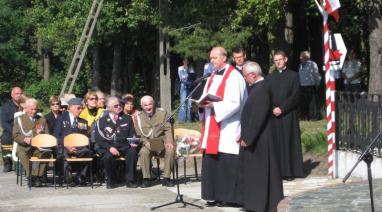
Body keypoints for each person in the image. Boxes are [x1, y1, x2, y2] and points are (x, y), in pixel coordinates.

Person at [198, 46, 247, 206]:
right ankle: (215, 195)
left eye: (215, 58)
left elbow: (236, 103)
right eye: (210, 58)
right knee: (213, 162)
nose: (212, 61)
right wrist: (201, 105)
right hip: (212, 123)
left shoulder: (234, 76)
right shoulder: (211, 76)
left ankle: (230, 198)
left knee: (227, 163)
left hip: (227, 126)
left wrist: (214, 106)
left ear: (224, 58)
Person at [238, 61, 284, 212]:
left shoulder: (261, 90)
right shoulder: (257, 88)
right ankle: (256, 203)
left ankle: (258, 204)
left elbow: (257, 118)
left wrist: (248, 137)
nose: (245, 79)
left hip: (260, 140)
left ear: (253, 74)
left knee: (260, 174)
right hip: (256, 138)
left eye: (245, 76)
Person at [266, 50, 304, 180]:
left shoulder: (293, 76)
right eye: (275, 60)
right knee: (276, 143)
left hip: (288, 114)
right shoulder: (270, 77)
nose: (278, 62)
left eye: (280, 60)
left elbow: (295, 95)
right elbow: (266, 95)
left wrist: (282, 108)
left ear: (285, 59)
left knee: (288, 141)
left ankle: (289, 171)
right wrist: (272, 108)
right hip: (274, 115)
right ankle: (278, 171)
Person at [94, 97, 139, 189]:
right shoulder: (101, 121)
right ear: (109, 108)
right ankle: (110, 180)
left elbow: (132, 134)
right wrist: (110, 148)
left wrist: (133, 143)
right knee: (107, 156)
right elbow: (98, 139)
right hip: (107, 147)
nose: (119, 107)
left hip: (123, 145)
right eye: (116, 106)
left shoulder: (127, 118)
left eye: (120, 105)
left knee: (132, 152)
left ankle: (130, 180)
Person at [135, 95, 175, 188]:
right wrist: (145, 142)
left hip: (162, 141)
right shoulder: (138, 117)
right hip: (148, 143)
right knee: (143, 151)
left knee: (170, 151)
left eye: (150, 104)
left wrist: (169, 142)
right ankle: (146, 179)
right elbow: (139, 134)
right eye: (145, 105)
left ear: (154, 104)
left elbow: (168, 129)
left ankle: (166, 178)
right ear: (141, 106)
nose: (148, 107)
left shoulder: (162, 113)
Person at [13, 98, 50, 187]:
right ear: (26, 108)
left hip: (38, 147)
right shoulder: (19, 119)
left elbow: (47, 134)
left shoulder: (41, 119)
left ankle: (38, 176)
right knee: (21, 153)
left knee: (46, 153)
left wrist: (42, 141)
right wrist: (24, 139)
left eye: (35, 109)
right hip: (24, 146)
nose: (34, 112)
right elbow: (15, 135)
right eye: (31, 109)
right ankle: (32, 176)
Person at [54, 97, 91, 186]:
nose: (80, 110)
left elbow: (85, 137)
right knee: (64, 153)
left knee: (88, 151)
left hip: (79, 148)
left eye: (81, 108)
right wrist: (66, 145)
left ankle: (81, 176)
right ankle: (68, 177)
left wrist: (79, 146)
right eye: (78, 108)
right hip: (65, 147)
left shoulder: (83, 122)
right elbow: (57, 136)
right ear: (70, 108)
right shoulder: (61, 119)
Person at [1, 86, 23, 172]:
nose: (19, 95)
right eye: (17, 93)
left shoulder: (26, 105)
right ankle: (8, 164)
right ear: (12, 95)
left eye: (20, 93)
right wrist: (14, 132)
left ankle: (23, 162)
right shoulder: (5, 107)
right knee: (4, 139)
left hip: (23, 132)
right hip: (10, 132)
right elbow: (4, 123)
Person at [298, 51, 321, 120]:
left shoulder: (312, 64)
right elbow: (299, 76)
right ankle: (305, 117)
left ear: (306, 57)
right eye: (300, 56)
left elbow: (316, 75)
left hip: (311, 86)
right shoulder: (300, 65)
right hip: (302, 86)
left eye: (301, 56)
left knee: (312, 103)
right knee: (304, 103)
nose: (300, 58)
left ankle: (314, 117)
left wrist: (317, 84)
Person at [178, 59, 194, 123]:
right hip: (183, 87)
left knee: (189, 104)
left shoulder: (191, 68)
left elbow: (193, 77)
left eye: (187, 61)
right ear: (183, 61)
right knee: (182, 104)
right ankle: (181, 120)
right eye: (185, 61)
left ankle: (188, 120)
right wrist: (188, 75)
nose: (186, 62)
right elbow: (182, 78)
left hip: (190, 87)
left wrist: (188, 75)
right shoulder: (180, 68)